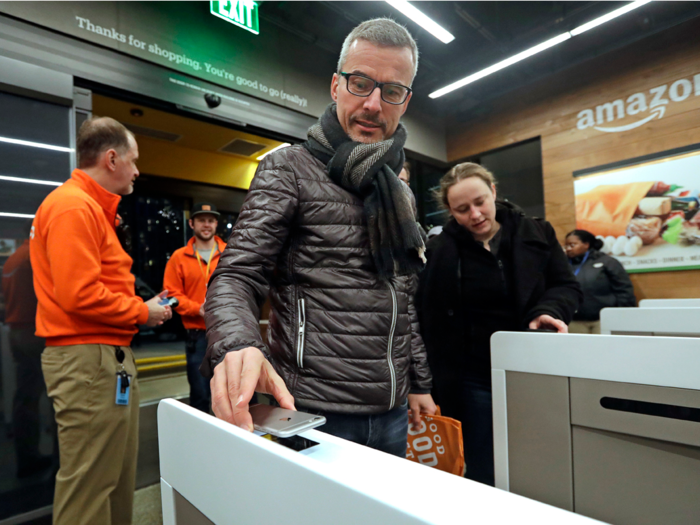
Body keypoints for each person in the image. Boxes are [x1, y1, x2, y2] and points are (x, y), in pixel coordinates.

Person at [202, 18, 436, 458]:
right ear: (335, 86)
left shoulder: (399, 192)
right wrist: (239, 345)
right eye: (360, 83)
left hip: (392, 411)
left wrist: (419, 383)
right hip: (312, 412)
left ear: (405, 101)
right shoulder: (289, 168)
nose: (372, 104)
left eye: (391, 91)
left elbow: (403, 296)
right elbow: (236, 275)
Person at [30, 117, 172, 525]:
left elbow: (91, 285)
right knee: (90, 486)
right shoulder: (74, 206)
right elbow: (79, 296)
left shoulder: (91, 209)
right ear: (111, 158)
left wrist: (140, 305)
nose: (137, 170)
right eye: (133, 160)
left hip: (103, 358)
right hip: (87, 360)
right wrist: (142, 311)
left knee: (111, 479)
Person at [416, 162, 582, 486]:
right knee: (482, 459)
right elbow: (427, 314)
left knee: (539, 451)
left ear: (493, 192)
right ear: (450, 211)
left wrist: (548, 310)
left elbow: (567, 286)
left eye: (480, 202)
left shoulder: (537, 232)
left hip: (531, 364)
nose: (475, 215)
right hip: (473, 374)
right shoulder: (441, 250)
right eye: (462, 209)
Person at [163, 202, 226, 412]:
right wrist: (196, 308)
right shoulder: (178, 257)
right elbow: (170, 294)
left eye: (210, 220)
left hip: (227, 332)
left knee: (230, 392)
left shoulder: (230, 254)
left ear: (216, 223)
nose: (206, 225)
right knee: (199, 394)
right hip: (197, 335)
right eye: (201, 220)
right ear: (192, 223)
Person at [1, 232, 53, 478]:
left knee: (25, 397)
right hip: (35, 333)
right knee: (57, 395)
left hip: (17, 331)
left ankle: (27, 456)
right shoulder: (34, 257)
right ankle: (59, 460)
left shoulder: (13, 259)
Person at [565, 229, 636, 334]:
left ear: (586, 244)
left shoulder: (607, 262)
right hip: (574, 321)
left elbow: (624, 290)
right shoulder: (563, 265)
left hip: (603, 320)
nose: (568, 249)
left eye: (572, 245)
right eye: (566, 246)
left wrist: (624, 315)